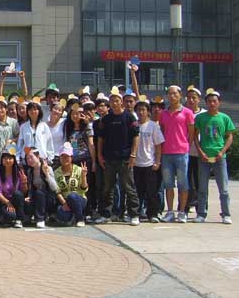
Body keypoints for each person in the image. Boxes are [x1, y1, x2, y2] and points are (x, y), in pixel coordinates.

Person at [95, 88, 141, 226]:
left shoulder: (130, 117)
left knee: (129, 187)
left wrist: (133, 154)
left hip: (125, 158)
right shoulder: (106, 119)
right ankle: (106, 214)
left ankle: (134, 214)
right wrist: (99, 155)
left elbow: (136, 137)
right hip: (109, 159)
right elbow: (101, 139)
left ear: (121, 102)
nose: (114, 103)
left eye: (117, 101)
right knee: (107, 188)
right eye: (112, 101)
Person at [193, 89, 235, 224]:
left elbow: (230, 136)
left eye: (214, 101)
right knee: (202, 188)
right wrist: (200, 152)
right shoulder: (200, 118)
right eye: (209, 101)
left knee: (224, 189)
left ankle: (226, 214)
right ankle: (201, 213)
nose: (212, 104)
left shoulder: (225, 118)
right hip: (204, 157)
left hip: (219, 157)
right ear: (206, 103)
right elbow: (195, 136)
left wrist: (222, 151)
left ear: (219, 102)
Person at [159, 85, 195, 223]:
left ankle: (182, 211)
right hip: (166, 153)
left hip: (181, 153)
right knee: (168, 184)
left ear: (180, 95)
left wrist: (186, 146)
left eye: (174, 93)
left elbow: (191, 133)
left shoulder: (187, 112)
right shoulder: (163, 113)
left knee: (183, 184)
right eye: (169, 93)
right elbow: (162, 131)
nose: (172, 96)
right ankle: (170, 211)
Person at [133, 98, 164, 223]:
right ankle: (136, 213)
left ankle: (153, 214)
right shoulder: (134, 125)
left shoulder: (153, 126)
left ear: (148, 112)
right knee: (137, 191)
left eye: (143, 110)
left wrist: (157, 161)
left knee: (152, 191)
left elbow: (158, 146)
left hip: (150, 163)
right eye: (138, 110)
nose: (141, 112)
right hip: (136, 164)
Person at [53, 143, 88, 227]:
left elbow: (84, 189)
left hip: (79, 199)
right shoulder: (56, 172)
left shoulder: (79, 169)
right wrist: (64, 203)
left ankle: (80, 219)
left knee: (72, 196)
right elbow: (57, 191)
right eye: (62, 156)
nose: (65, 159)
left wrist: (83, 176)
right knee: (62, 215)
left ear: (71, 157)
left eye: (67, 156)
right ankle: (72, 216)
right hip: (65, 201)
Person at [0, 145, 28, 228]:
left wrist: (24, 183)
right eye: (5, 158)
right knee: (10, 216)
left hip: (17, 200)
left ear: (14, 160)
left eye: (10, 158)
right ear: (2, 160)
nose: (7, 160)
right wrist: (8, 203)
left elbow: (23, 192)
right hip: (4, 202)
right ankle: (7, 217)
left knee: (18, 194)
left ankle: (19, 220)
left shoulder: (19, 172)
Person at [185, 85, 206, 214]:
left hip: (201, 153)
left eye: (194, 98)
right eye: (189, 98)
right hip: (186, 153)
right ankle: (185, 207)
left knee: (201, 182)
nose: (191, 100)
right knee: (187, 182)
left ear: (199, 99)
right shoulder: (183, 112)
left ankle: (202, 208)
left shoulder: (204, 114)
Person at [24, 147, 57, 228]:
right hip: (36, 197)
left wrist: (46, 174)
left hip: (48, 198)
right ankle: (28, 216)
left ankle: (40, 219)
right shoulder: (30, 171)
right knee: (26, 199)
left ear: (38, 156)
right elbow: (31, 187)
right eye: (27, 158)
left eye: (31, 157)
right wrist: (29, 196)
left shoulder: (48, 168)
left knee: (39, 193)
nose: (29, 160)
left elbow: (54, 188)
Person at [17, 100, 54, 165]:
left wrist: (49, 158)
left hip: (42, 159)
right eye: (30, 110)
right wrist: (18, 159)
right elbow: (20, 144)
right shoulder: (23, 127)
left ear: (39, 111)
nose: (33, 112)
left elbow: (49, 142)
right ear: (27, 112)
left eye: (35, 109)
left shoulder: (44, 126)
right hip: (27, 159)